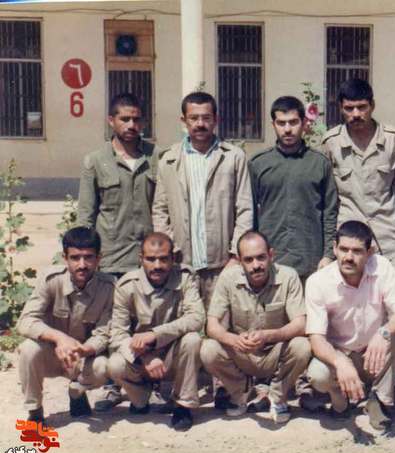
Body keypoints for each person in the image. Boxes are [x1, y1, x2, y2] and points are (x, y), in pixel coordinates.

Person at [77, 92, 161, 412]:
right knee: (113, 324)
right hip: (111, 256)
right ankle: (114, 385)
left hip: (147, 258)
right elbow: (86, 215)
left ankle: (152, 382)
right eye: (124, 119)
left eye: (136, 119)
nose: (131, 125)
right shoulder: (95, 161)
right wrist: (85, 257)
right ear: (111, 121)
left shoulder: (155, 157)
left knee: (148, 319)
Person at [305, 220, 395, 430]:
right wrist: (340, 362)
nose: (348, 257)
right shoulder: (318, 282)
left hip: (375, 355)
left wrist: (383, 333)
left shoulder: (382, 267)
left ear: (369, 252)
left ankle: (378, 398)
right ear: (334, 248)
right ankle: (340, 399)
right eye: (343, 249)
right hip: (342, 354)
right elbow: (316, 339)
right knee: (318, 375)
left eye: (357, 251)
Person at [152, 91, 253, 310]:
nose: (200, 124)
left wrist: (236, 255)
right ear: (183, 121)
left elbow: (245, 209)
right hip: (182, 266)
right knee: (186, 324)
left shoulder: (233, 157)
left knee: (221, 324)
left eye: (206, 118)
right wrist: (171, 250)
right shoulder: (169, 160)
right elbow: (160, 210)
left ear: (216, 120)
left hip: (222, 266)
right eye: (194, 118)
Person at [200, 231, 311, 424]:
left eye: (261, 257)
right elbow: (212, 325)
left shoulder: (288, 276)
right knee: (208, 349)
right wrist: (234, 340)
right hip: (243, 351)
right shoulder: (228, 278)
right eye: (248, 260)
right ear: (240, 261)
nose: (256, 265)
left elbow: (301, 324)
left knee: (302, 346)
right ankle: (241, 392)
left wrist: (269, 336)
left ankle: (277, 396)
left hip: (276, 352)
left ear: (271, 255)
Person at [107, 233, 205, 431]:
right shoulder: (127, 286)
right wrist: (145, 357)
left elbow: (197, 317)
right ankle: (141, 399)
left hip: (172, 356)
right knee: (114, 364)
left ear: (173, 258)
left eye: (163, 259)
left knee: (193, 340)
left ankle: (183, 405)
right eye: (151, 259)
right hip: (141, 359)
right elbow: (117, 335)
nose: (157, 265)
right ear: (141, 258)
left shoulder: (185, 278)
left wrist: (155, 335)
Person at [16, 227, 115, 423]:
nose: (82, 265)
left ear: (99, 258)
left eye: (88, 257)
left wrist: (85, 349)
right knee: (28, 349)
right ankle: (34, 411)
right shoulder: (51, 280)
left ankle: (77, 391)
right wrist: (59, 338)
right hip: (52, 354)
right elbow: (26, 320)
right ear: (65, 258)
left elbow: (104, 332)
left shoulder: (109, 287)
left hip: (82, 357)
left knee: (104, 366)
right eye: (75, 258)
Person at [322, 78, 395, 278]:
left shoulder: (393, 140)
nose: (355, 114)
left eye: (362, 107)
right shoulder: (331, 143)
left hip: (389, 237)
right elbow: (329, 199)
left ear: (372, 106)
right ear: (340, 108)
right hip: (349, 240)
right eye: (349, 108)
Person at [249, 96, 338, 281]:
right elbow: (248, 214)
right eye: (281, 123)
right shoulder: (258, 164)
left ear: (304, 123)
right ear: (273, 124)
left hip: (311, 263)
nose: (287, 129)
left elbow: (330, 212)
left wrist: (329, 255)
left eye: (293, 122)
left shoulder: (320, 163)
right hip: (271, 263)